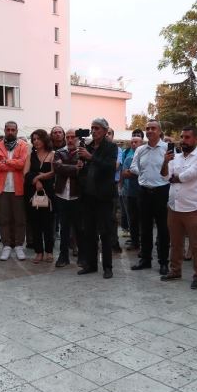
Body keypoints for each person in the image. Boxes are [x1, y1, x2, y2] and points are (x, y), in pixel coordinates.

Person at [160, 126, 197, 289]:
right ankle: (175, 270)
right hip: (174, 206)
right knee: (175, 243)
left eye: (187, 137)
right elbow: (165, 176)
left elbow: (190, 175)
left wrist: (176, 178)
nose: (183, 140)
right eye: (182, 137)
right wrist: (165, 161)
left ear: (196, 139)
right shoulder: (175, 157)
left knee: (196, 244)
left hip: (192, 207)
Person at [77, 118, 117, 278]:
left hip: (103, 197)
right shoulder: (87, 146)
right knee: (89, 232)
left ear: (105, 131)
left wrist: (91, 157)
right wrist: (80, 167)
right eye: (92, 128)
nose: (93, 131)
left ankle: (108, 267)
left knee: (105, 233)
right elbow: (84, 170)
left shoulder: (111, 147)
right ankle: (91, 265)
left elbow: (110, 167)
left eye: (97, 128)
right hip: (88, 196)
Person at [130, 119, 170, 275]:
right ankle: (145, 260)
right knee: (145, 228)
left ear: (159, 131)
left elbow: (172, 168)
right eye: (147, 128)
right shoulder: (140, 150)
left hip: (162, 191)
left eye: (153, 128)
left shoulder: (167, 148)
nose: (150, 131)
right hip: (144, 192)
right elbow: (133, 166)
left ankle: (163, 262)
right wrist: (143, 173)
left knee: (163, 229)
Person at [0, 121, 28, 261]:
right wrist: (13, 163)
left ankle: (19, 245)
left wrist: (6, 161)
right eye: (8, 129)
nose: (10, 132)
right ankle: (6, 245)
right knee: (4, 219)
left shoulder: (23, 145)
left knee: (19, 219)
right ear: (4, 130)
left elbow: (22, 163)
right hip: (1, 188)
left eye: (13, 130)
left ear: (17, 131)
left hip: (18, 188)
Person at [53, 128, 83, 267]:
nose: (70, 140)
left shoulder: (82, 152)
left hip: (77, 195)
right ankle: (63, 256)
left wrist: (66, 167)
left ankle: (82, 256)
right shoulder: (59, 152)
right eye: (68, 137)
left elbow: (83, 171)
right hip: (62, 195)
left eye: (73, 137)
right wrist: (75, 168)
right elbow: (57, 168)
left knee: (79, 228)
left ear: (78, 138)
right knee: (64, 228)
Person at [26, 129, 55, 263]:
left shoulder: (52, 154)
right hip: (33, 192)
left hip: (48, 193)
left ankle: (49, 251)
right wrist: (37, 181)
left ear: (44, 139)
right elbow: (26, 173)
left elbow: (53, 172)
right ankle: (38, 252)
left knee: (48, 224)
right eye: (34, 139)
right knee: (35, 223)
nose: (36, 141)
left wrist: (38, 176)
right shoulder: (30, 155)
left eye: (38, 138)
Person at [120, 130, 143, 252]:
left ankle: (143, 241)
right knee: (132, 218)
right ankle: (134, 241)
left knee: (142, 219)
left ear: (141, 144)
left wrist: (132, 172)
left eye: (136, 142)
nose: (134, 144)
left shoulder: (145, 157)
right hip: (130, 192)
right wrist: (138, 173)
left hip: (143, 192)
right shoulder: (128, 158)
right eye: (132, 142)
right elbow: (124, 173)